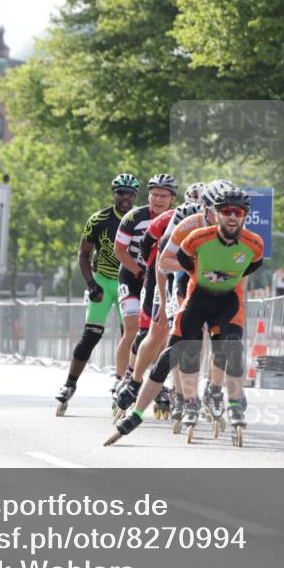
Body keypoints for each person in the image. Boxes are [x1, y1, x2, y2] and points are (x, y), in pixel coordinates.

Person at [105, 185, 263, 446]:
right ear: (212, 211)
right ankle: (140, 404)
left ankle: (223, 396)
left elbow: (247, 269)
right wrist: (168, 297)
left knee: (231, 347)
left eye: (238, 212)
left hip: (227, 300)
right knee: (172, 351)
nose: (232, 217)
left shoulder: (254, 242)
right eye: (226, 211)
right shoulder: (192, 231)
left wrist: (231, 287)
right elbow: (163, 262)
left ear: (245, 215)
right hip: (191, 291)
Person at [54, 173, 140, 416]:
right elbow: (83, 254)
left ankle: (125, 382)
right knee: (91, 335)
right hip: (102, 279)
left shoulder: (140, 219)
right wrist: (91, 284)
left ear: (136, 196)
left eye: (130, 193)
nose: (125, 197)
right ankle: (69, 384)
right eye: (121, 192)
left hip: (128, 282)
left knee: (132, 337)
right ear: (113, 194)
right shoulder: (99, 219)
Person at [111, 173, 177, 400]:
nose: (158, 199)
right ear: (148, 196)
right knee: (132, 329)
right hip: (132, 276)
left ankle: (154, 381)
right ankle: (121, 378)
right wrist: (139, 272)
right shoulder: (133, 217)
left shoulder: (177, 218)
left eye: (163, 196)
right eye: (154, 195)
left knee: (157, 333)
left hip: (157, 278)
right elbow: (119, 250)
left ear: (172, 198)